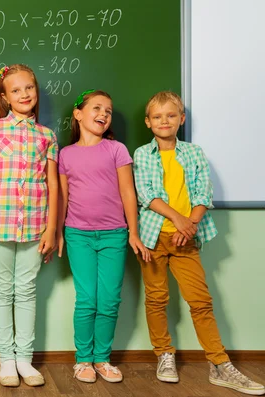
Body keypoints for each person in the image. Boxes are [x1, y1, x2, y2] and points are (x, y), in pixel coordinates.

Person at [134, 91, 265, 395]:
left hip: (186, 238)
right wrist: (178, 219)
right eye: (157, 116)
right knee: (156, 299)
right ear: (148, 122)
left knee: (200, 301)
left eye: (170, 115)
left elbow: (203, 193)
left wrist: (189, 224)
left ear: (181, 119)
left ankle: (219, 363)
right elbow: (147, 194)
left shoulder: (194, 152)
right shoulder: (141, 154)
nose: (164, 121)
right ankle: (164, 354)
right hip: (154, 237)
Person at [57, 89, 150, 384]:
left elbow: (127, 192)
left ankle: (102, 359)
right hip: (78, 235)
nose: (103, 115)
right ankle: (83, 359)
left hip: (113, 235)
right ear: (78, 114)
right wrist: (59, 233)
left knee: (109, 299)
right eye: (97, 108)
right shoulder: (65, 154)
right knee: (87, 299)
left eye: (108, 111)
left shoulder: (117, 150)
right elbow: (62, 197)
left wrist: (133, 232)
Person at [0, 64, 58, 387]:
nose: (24, 94)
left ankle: (25, 359)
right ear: (5, 96)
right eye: (16, 90)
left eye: (29, 88)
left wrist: (51, 228)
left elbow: (52, 183)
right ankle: (6, 360)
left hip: (35, 224)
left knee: (26, 290)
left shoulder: (47, 136)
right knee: (1, 290)